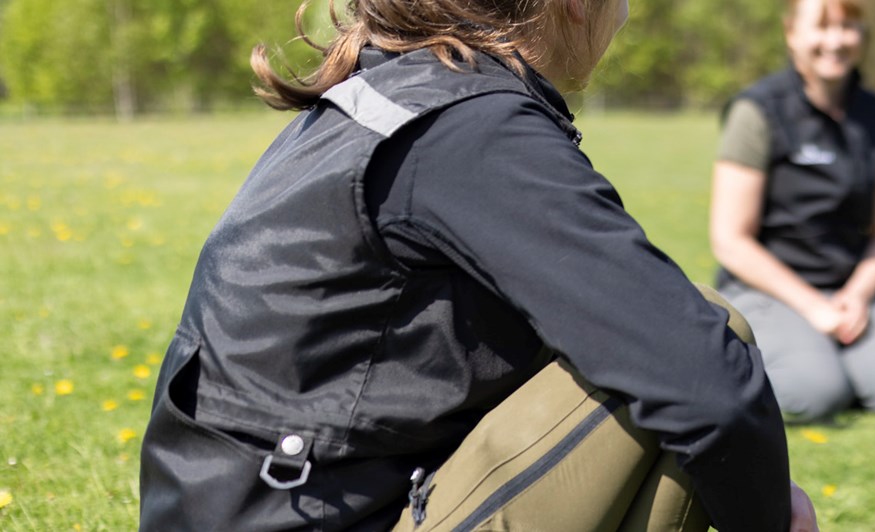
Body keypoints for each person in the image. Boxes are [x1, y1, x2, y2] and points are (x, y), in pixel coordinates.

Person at [137, 0, 816, 530]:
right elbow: (703, 375)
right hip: (306, 515)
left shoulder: (398, 87)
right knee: (709, 333)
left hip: (256, 505)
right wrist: (773, 515)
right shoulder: (471, 127)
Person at [710, 0, 875, 422]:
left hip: (846, 289)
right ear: (791, 34)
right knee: (815, 395)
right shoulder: (756, 112)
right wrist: (813, 308)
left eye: (848, 27)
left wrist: (857, 295)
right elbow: (730, 240)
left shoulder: (874, 113)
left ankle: (830, 359)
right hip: (766, 289)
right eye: (822, 27)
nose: (836, 40)